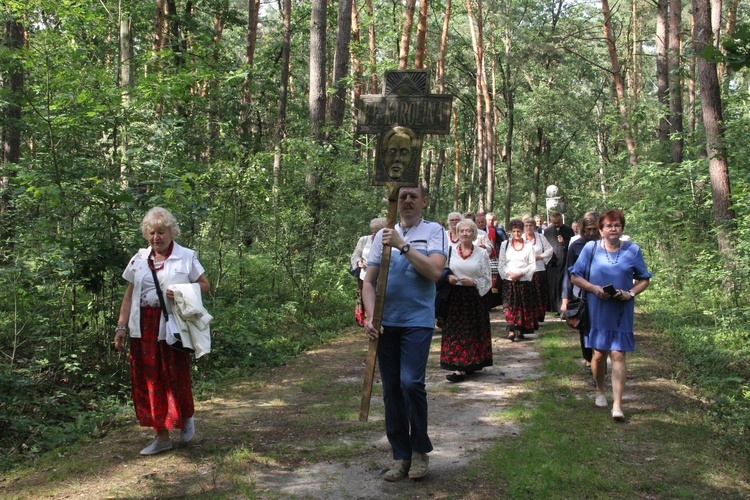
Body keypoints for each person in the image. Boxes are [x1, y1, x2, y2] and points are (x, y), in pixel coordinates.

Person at [363, 185, 447, 481]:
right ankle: (400, 456)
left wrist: (402, 245)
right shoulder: (381, 236)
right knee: (392, 391)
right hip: (386, 323)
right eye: (402, 197)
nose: (408, 201)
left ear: (424, 200)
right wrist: (371, 314)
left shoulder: (435, 231)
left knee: (411, 383)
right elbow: (368, 282)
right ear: (396, 203)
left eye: (413, 196)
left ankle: (419, 451)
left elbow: (435, 272)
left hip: (417, 320)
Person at [114, 207, 210, 455]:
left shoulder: (187, 256)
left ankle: (185, 415)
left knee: (174, 374)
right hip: (142, 327)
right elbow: (128, 296)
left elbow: (204, 285)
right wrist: (121, 327)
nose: (157, 237)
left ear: (171, 232)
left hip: (172, 325)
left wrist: (181, 290)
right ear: (147, 234)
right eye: (152, 232)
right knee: (150, 380)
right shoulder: (138, 259)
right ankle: (162, 435)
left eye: (162, 232)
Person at [570, 210, 652, 422]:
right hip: (597, 307)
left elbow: (644, 279)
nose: (613, 229)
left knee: (618, 354)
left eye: (617, 225)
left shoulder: (633, 250)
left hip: (621, 309)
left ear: (622, 228)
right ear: (601, 230)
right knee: (599, 354)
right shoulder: (591, 248)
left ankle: (617, 405)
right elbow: (575, 277)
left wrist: (630, 293)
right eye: (608, 226)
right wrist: (594, 288)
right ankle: (599, 389)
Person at [440, 219, 493, 382]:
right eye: (461, 230)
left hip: (474, 298)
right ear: (457, 233)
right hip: (455, 298)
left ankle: (472, 362)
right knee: (455, 332)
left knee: (473, 331)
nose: (464, 233)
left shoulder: (481, 253)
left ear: (474, 233)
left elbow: (487, 278)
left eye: (468, 230)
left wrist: (474, 282)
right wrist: (448, 277)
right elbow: (441, 270)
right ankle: (458, 367)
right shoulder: (449, 252)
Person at [561, 211, 600, 375]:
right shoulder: (576, 245)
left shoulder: (606, 245)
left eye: (594, 229)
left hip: (601, 292)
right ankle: (589, 360)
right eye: (588, 229)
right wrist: (565, 299)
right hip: (581, 295)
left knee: (599, 331)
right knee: (585, 330)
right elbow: (568, 273)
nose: (591, 233)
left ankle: (598, 363)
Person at [497, 219, 536, 341]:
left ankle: (520, 328)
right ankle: (511, 329)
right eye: (513, 231)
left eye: (518, 231)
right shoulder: (505, 245)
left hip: (523, 279)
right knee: (509, 306)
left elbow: (532, 264)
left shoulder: (528, 246)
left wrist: (521, 273)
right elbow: (501, 263)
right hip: (509, 280)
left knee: (522, 306)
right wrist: (509, 273)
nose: (516, 234)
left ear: (522, 231)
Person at [350, 217, 387, 326]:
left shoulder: (387, 242)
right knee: (367, 297)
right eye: (373, 232)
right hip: (365, 276)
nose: (375, 235)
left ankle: (380, 320)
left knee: (380, 299)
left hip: (382, 277)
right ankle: (367, 320)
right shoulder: (364, 240)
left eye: (378, 232)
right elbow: (355, 255)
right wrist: (358, 262)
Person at [522, 216, 553, 333]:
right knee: (528, 295)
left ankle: (540, 316)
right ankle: (530, 317)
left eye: (530, 225)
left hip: (539, 269)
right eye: (526, 225)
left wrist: (541, 256)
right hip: (525, 271)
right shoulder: (520, 238)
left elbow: (550, 250)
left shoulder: (540, 237)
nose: (528, 227)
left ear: (534, 226)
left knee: (540, 294)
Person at [544, 212, 575, 315]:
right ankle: (553, 307)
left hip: (564, 261)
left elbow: (572, 246)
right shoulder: (547, 231)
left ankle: (561, 308)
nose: (556, 224)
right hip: (551, 263)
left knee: (562, 284)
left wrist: (564, 243)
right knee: (552, 284)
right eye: (554, 223)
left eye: (558, 222)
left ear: (561, 220)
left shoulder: (568, 230)